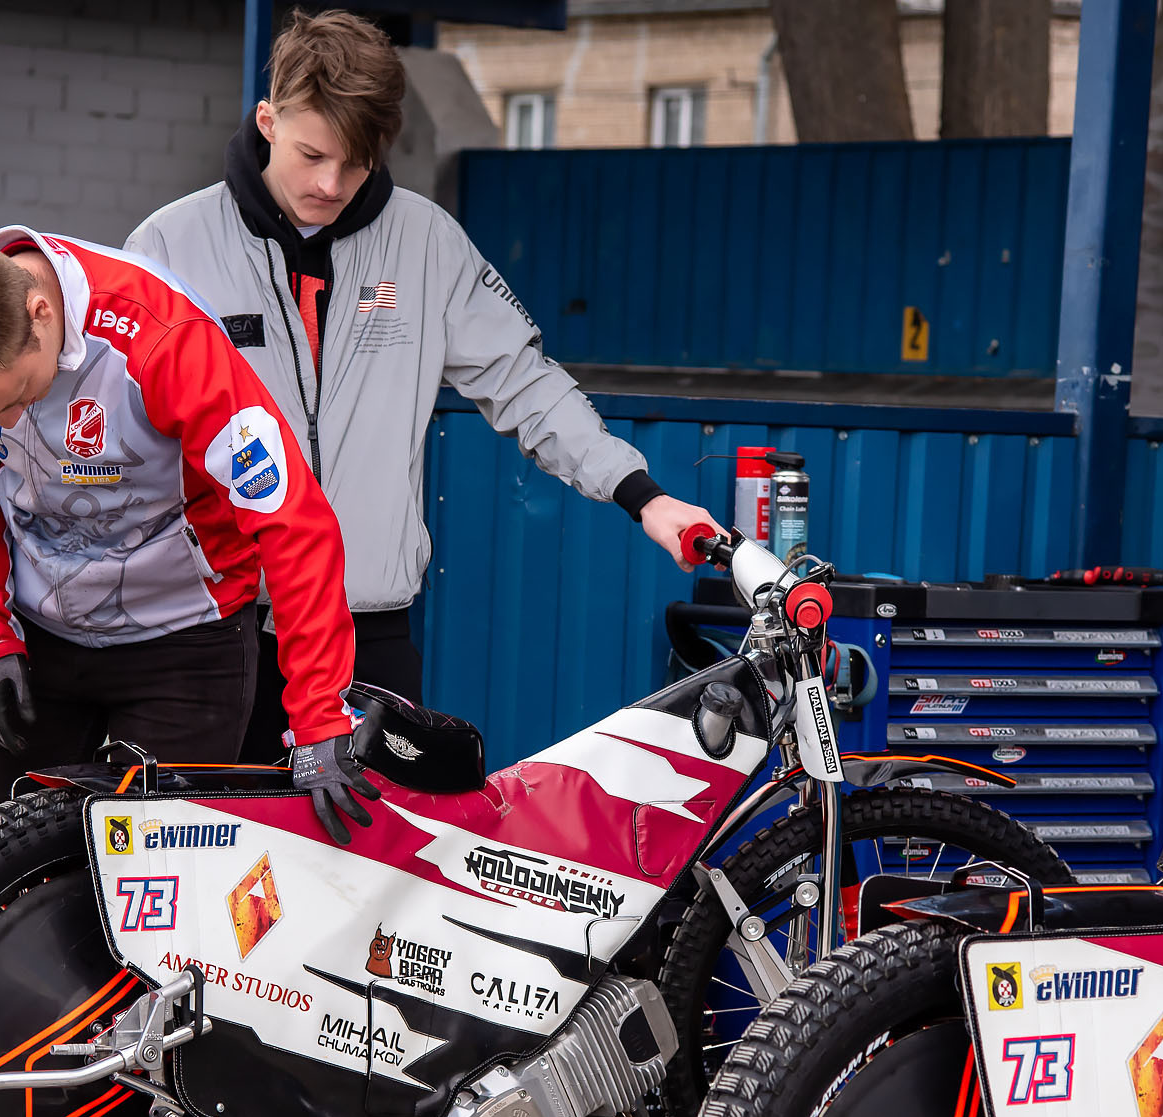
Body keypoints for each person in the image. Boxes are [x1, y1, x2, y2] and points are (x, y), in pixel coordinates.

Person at [125, 9, 720, 762]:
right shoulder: (169, 247)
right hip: (214, 634)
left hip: (367, 636)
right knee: (217, 840)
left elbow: (526, 383)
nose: (330, 184)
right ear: (268, 122)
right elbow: (118, 437)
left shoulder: (427, 242)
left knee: (374, 841)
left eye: (355, 163)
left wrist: (643, 495)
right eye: (312, 155)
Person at [0, 231, 371, 842]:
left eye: (17, 397)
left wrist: (319, 717)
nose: (6, 424)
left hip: (184, 639)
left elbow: (292, 520)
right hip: (41, 637)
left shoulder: (166, 337)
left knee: (157, 874)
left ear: (41, 312)